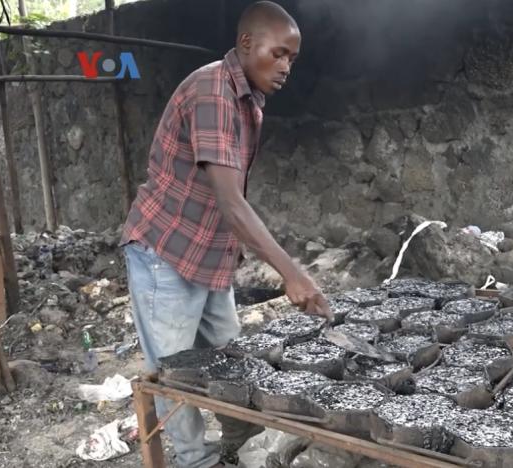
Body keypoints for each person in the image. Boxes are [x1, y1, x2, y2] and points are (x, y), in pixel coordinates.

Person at [120, 2, 331, 466]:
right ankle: (195, 460)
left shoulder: (247, 98)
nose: (285, 67)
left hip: (210, 254)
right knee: (177, 374)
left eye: (291, 59)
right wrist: (293, 275)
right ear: (246, 44)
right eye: (278, 54)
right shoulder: (213, 91)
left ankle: (241, 443)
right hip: (167, 252)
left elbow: (229, 204)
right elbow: (231, 202)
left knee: (231, 357)